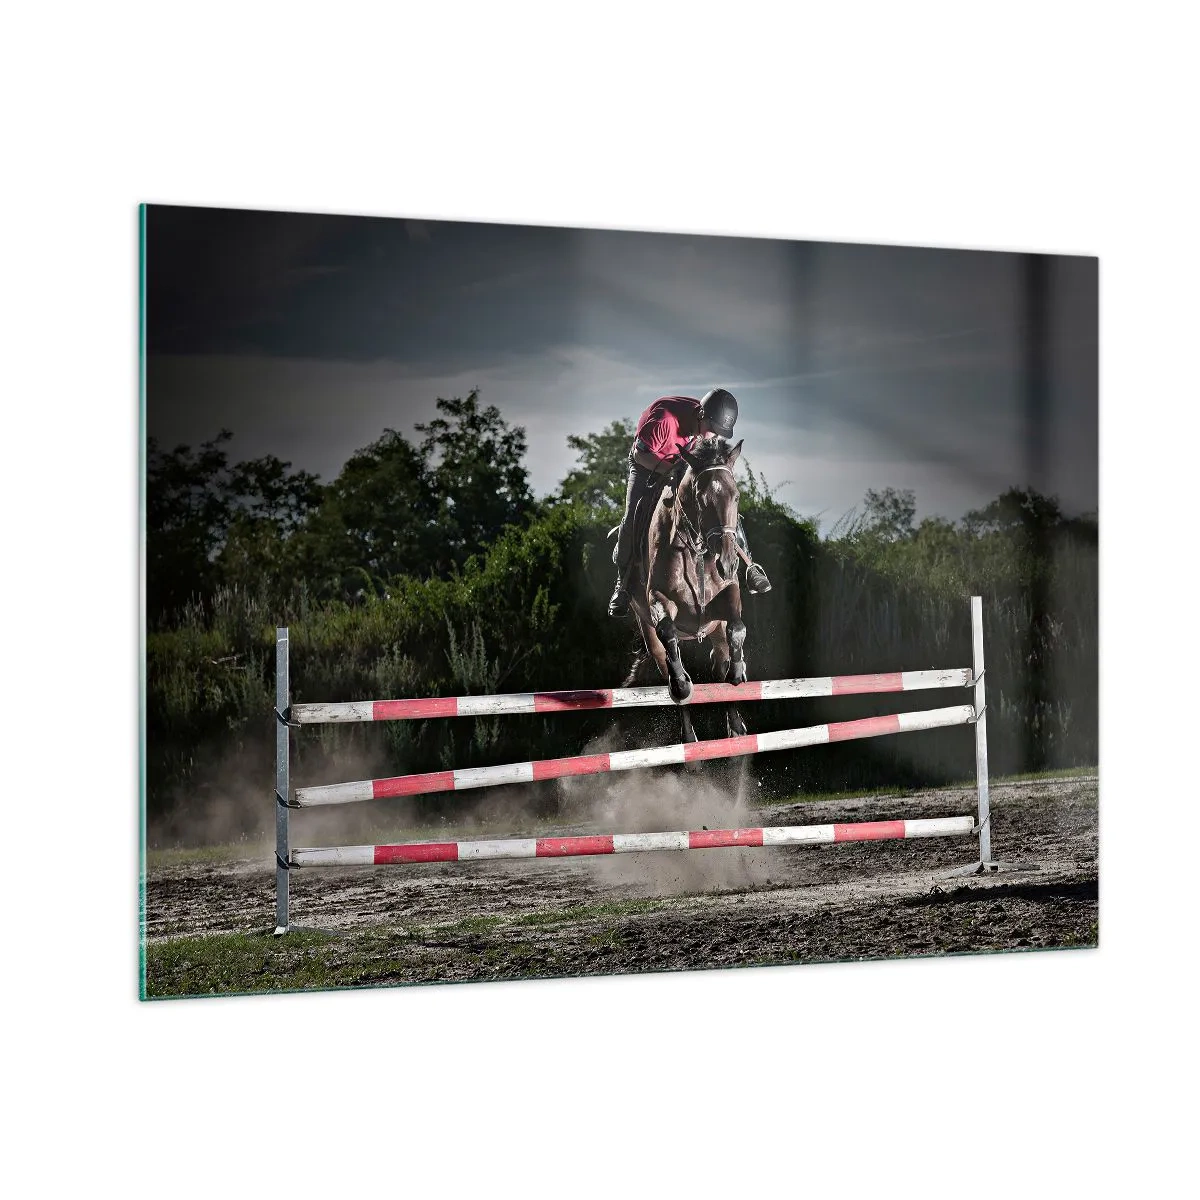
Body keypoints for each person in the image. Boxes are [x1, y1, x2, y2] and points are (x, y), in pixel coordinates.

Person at [608, 387, 772, 617]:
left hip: (681, 463)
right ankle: (622, 585)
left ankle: (750, 565)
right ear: (700, 416)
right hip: (647, 464)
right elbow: (639, 455)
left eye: (719, 432)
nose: (714, 436)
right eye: (712, 430)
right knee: (633, 516)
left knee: (720, 501)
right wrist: (671, 471)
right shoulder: (664, 421)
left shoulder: (706, 422)